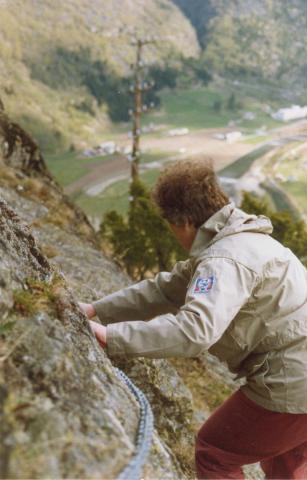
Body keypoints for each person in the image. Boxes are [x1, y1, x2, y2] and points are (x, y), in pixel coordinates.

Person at [79, 160, 307, 479]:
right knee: (285, 462)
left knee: (215, 453)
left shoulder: (223, 260)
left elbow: (193, 332)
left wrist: (112, 336)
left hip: (294, 383)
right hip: (300, 377)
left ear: (184, 222)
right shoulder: (245, 240)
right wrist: (94, 308)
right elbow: (165, 289)